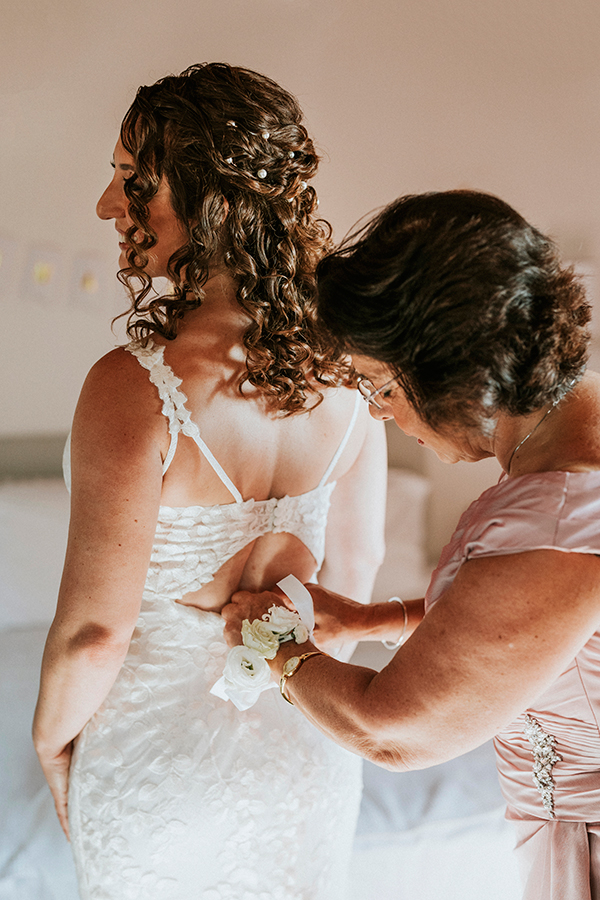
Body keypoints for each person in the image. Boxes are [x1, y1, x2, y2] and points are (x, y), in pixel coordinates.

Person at [33, 63, 387, 900]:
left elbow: (94, 635)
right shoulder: (352, 377)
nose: (107, 206)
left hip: (157, 768)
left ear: (204, 199)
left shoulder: (133, 387)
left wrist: (51, 744)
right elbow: (354, 580)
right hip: (308, 752)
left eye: (130, 180)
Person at [223, 190, 600, 900]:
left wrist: (279, 652)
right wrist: (376, 620)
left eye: (380, 387)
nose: (384, 415)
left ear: (453, 368)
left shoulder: (558, 521)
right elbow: (551, 634)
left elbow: (392, 731)